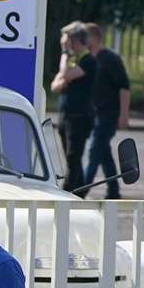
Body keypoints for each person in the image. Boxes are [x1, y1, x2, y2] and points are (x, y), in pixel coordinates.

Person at [81, 22, 132, 199]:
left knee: (94, 152)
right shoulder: (87, 59)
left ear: (94, 37)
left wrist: (124, 115)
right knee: (104, 153)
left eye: (84, 36)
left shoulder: (110, 59)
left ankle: (80, 192)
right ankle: (114, 191)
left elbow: (124, 87)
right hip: (94, 114)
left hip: (108, 114)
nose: (82, 40)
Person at [49, 22, 95, 192]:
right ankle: (81, 190)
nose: (65, 44)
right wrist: (64, 75)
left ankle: (68, 192)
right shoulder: (73, 61)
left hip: (80, 117)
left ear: (75, 41)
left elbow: (66, 75)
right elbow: (55, 86)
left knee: (73, 157)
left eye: (67, 41)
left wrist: (63, 54)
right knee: (70, 159)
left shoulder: (88, 60)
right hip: (66, 115)